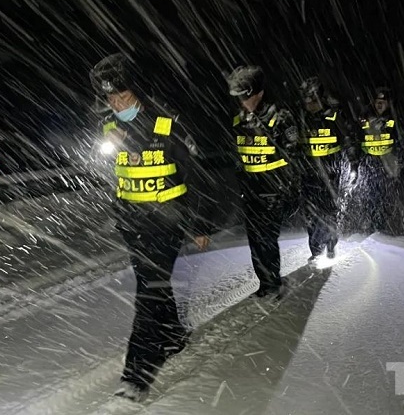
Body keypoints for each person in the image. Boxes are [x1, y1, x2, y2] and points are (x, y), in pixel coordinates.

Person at [89, 53, 212, 401]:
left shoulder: (167, 126)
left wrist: (199, 225)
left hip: (166, 224)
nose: (117, 104)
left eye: (124, 96)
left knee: (148, 293)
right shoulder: (109, 127)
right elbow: (108, 170)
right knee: (154, 284)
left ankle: (136, 376)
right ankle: (173, 335)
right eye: (111, 99)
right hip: (133, 225)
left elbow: (197, 179)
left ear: (139, 93)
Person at [226, 65, 300, 298]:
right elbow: (237, 154)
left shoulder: (280, 117)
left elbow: (293, 156)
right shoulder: (239, 119)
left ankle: (273, 282)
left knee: (267, 239)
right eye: (239, 98)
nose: (242, 103)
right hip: (251, 191)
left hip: (273, 190)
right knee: (255, 240)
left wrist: (286, 190)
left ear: (257, 93)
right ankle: (265, 283)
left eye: (244, 97)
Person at [296, 76, 356, 261]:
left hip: (331, 174)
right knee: (310, 214)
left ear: (320, 98)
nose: (309, 104)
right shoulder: (301, 118)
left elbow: (348, 140)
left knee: (329, 212)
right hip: (308, 174)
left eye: (313, 100)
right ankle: (315, 249)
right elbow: (296, 146)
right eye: (306, 100)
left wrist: (353, 162)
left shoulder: (334, 116)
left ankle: (330, 243)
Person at [352, 86, 402, 232]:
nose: (379, 104)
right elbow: (358, 137)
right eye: (377, 101)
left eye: (383, 102)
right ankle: (372, 226)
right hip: (369, 162)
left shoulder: (394, 117)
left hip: (388, 164)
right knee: (370, 196)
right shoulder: (365, 116)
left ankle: (382, 227)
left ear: (388, 103)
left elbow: (400, 139)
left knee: (385, 197)